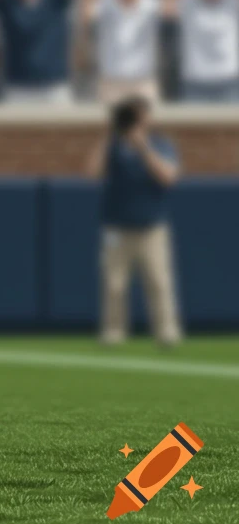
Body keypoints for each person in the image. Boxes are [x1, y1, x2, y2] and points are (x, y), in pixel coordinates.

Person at [88, 96, 183, 347]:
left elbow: (168, 177)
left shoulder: (161, 144)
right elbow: (92, 173)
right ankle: (113, 332)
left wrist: (143, 148)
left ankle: (166, 331)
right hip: (117, 227)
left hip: (151, 227)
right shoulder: (113, 146)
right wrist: (109, 135)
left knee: (159, 281)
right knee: (114, 283)